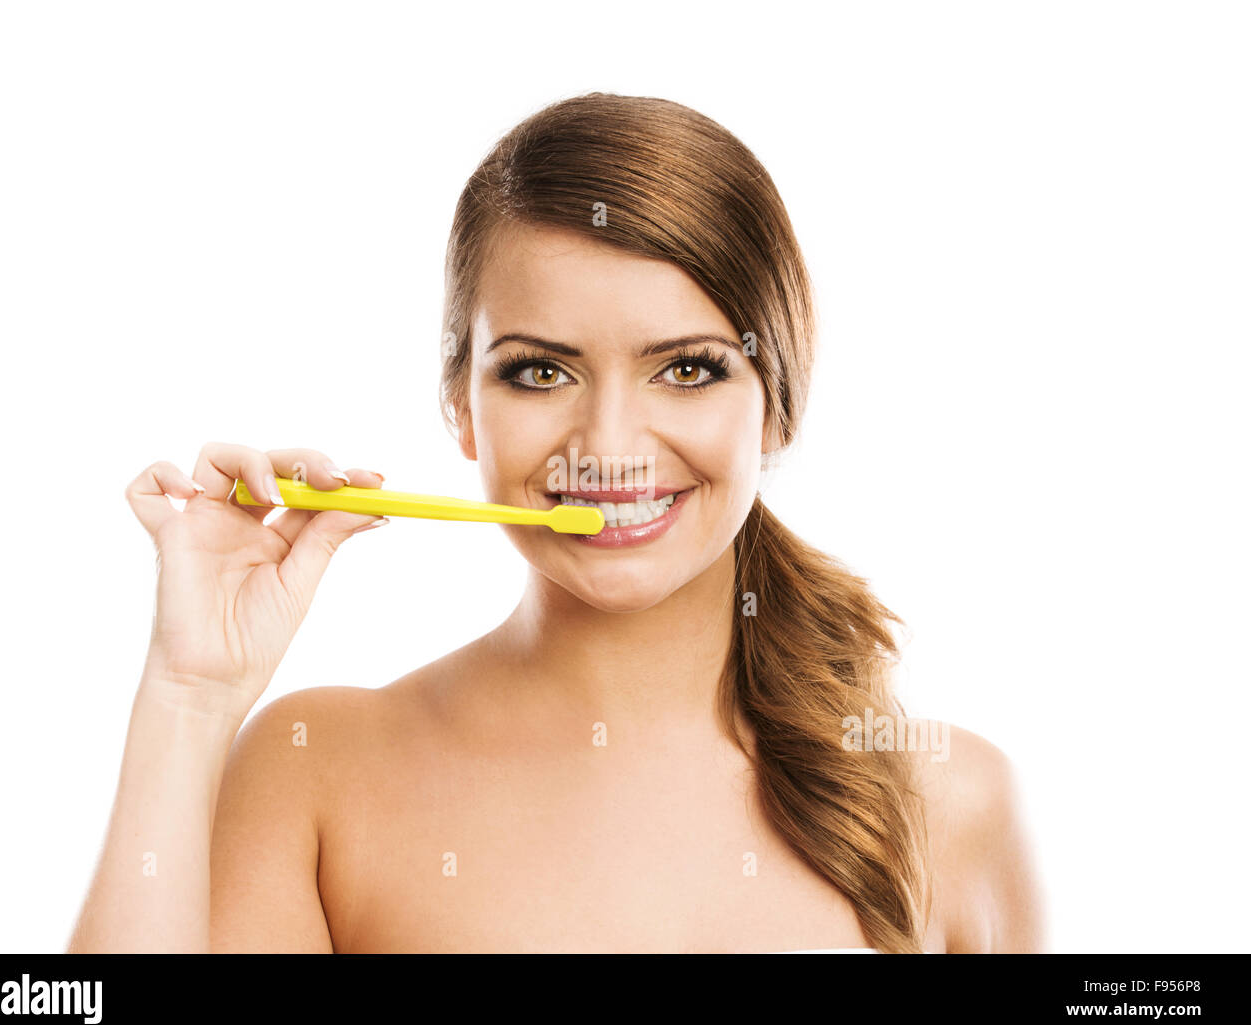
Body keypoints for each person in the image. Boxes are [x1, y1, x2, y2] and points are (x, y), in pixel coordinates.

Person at [68, 92, 1044, 953]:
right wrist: (189, 696)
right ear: (460, 402)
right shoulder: (318, 774)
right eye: (541, 370)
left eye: (687, 367)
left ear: (776, 402)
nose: (609, 443)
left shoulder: (952, 804)